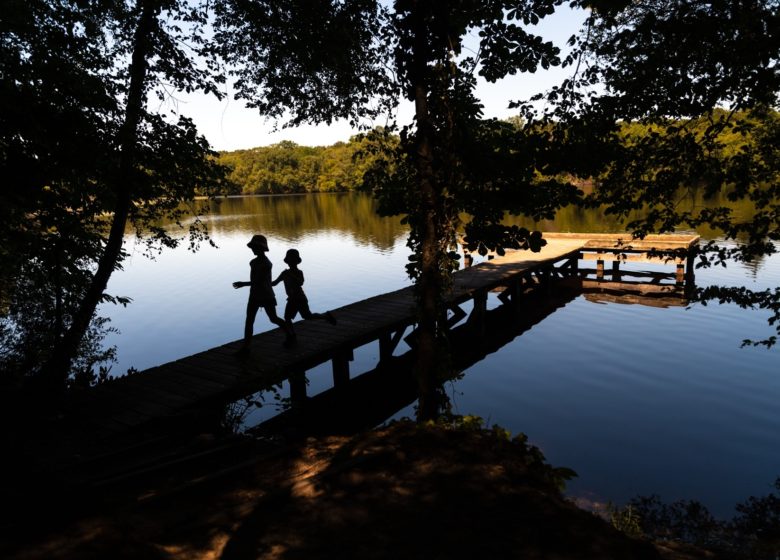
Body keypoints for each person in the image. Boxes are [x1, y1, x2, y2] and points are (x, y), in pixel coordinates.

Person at [233, 234, 294, 353]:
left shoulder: (267, 264)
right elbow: (256, 281)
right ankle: (246, 347)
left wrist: (243, 284)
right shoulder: (253, 262)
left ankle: (290, 334)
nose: (252, 249)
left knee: (273, 318)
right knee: (249, 320)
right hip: (254, 295)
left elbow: (259, 281)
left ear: (261, 248)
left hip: (266, 295)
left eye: (254, 247)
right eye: (252, 247)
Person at [273, 248, 337, 342]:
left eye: (292, 260)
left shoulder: (299, 272)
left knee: (307, 316)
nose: (291, 262)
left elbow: (300, 282)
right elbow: (274, 283)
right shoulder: (284, 273)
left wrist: (291, 275)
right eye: (289, 260)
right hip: (292, 299)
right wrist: (264, 281)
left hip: (300, 298)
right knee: (288, 317)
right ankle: (292, 335)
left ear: (296, 262)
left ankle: (326, 317)